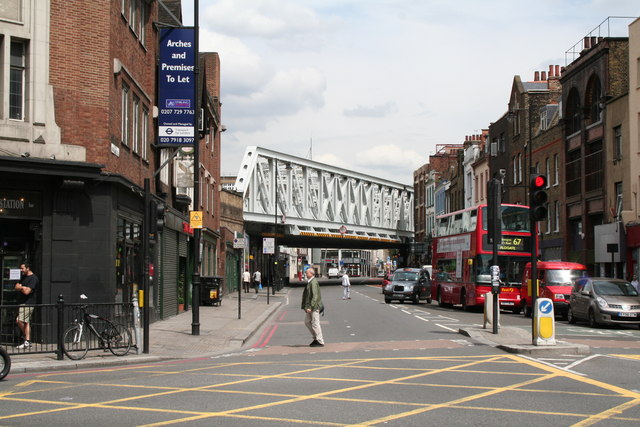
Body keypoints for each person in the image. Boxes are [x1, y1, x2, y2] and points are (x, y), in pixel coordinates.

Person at [15, 262, 38, 349]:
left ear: (28, 268)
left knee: (19, 320)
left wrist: (21, 287)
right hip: (23, 302)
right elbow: (16, 286)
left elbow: (26, 291)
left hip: (28, 302)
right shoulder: (24, 277)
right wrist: (22, 287)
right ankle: (27, 341)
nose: (21, 270)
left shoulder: (33, 279)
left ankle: (27, 340)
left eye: (22, 268)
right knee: (25, 321)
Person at [301, 267, 324, 347]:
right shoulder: (310, 282)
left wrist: (310, 306)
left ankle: (320, 341)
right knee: (307, 322)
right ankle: (316, 338)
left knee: (315, 323)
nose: (306, 274)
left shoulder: (313, 282)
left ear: (311, 273)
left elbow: (314, 296)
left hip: (314, 307)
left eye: (307, 273)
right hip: (309, 306)